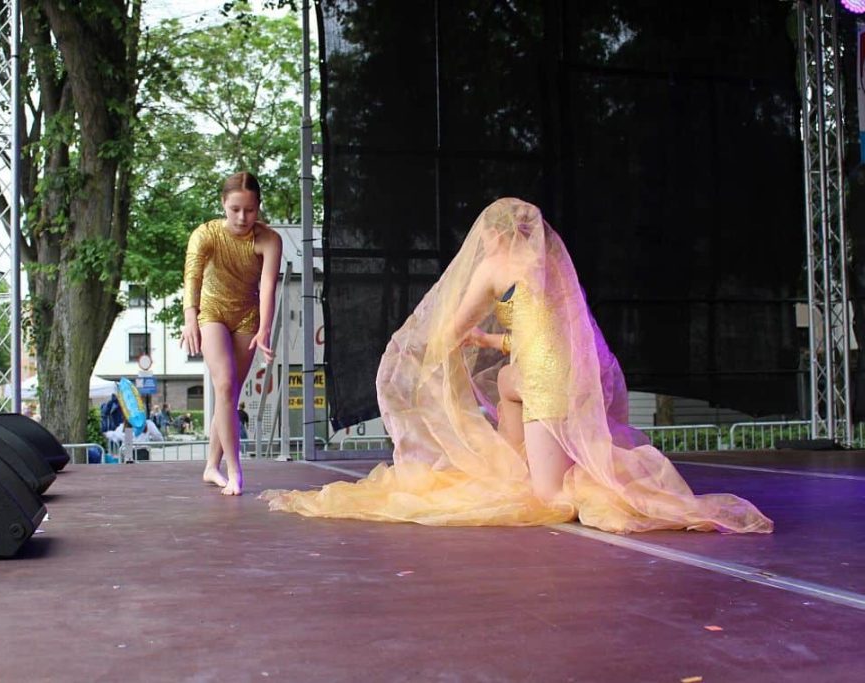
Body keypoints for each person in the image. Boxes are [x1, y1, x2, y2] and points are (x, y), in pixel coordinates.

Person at [262, 198, 772, 534]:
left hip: (547, 384)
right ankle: (543, 459)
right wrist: (488, 340)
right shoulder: (549, 266)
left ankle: (623, 495)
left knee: (549, 499)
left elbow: (449, 328)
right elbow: (541, 336)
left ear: (493, 236)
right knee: (507, 387)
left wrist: (429, 353)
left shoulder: (493, 267)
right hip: (558, 375)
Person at [181, 172, 282, 495]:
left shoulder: (269, 240)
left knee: (230, 395)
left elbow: (268, 286)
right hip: (212, 312)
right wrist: (190, 318)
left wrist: (265, 328)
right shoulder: (206, 234)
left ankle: (211, 466)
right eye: (235, 209)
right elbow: (193, 276)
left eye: (250, 210)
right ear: (223, 203)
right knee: (224, 384)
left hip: (247, 316)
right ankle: (235, 470)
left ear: (258, 207)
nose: (242, 217)